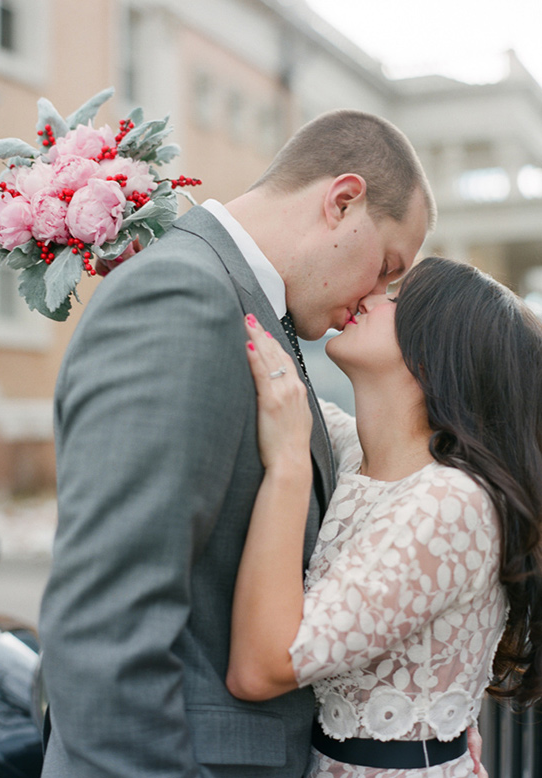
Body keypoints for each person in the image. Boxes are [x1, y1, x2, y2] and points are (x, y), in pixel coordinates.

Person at [38, 109, 435, 777]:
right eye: (388, 266)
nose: (377, 295)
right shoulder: (185, 296)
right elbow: (105, 631)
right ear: (342, 201)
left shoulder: (248, 307)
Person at [226, 257, 542, 777]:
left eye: (395, 298)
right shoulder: (353, 454)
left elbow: (261, 669)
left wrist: (287, 466)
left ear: (436, 353)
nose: (368, 298)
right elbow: (275, 383)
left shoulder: (452, 503)